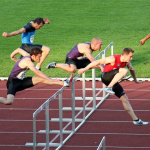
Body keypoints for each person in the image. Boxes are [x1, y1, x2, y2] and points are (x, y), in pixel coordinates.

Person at [78, 47, 148, 126]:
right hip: (105, 76)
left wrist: (135, 80)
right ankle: (109, 87)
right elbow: (97, 62)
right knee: (124, 70)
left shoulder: (127, 62)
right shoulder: (113, 59)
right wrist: (84, 69)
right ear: (124, 55)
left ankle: (136, 120)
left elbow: (132, 69)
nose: (131, 58)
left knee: (125, 98)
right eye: (130, 56)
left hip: (112, 80)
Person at [0, 47, 73, 105]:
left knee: (40, 79)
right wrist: (50, 79)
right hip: (12, 83)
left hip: (21, 81)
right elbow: (37, 71)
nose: (40, 58)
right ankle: (59, 81)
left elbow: (19, 49)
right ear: (34, 56)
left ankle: (64, 83)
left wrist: (12, 56)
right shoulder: (28, 62)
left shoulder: (27, 55)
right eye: (39, 57)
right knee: (9, 102)